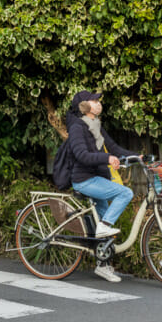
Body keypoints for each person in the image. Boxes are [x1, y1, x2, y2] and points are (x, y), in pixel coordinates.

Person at [65, 90, 136, 283]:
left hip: (97, 179)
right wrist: (107, 158)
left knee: (104, 221)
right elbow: (82, 155)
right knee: (125, 193)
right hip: (85, 180)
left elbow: (113, 147)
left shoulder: (96, 125)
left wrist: (136, 157)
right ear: (84, 106)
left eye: (98, 100)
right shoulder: (77, 128)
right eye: (94, 100)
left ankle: (102, 266)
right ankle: (103, 227)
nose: (98, 103)